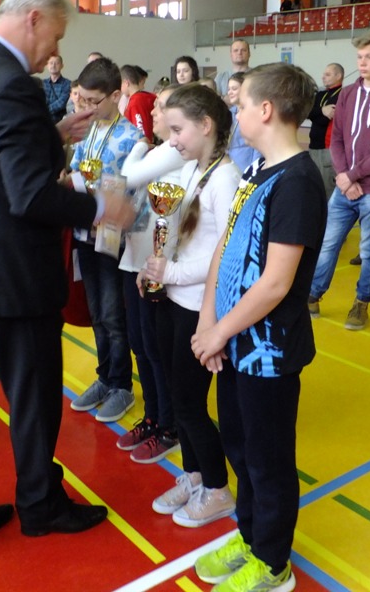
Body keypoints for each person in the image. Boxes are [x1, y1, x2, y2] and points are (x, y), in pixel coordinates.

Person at [0, 0, 132, 553]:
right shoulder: (14, 84)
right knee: (34, 396)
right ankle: (41, 505)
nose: (54, 51)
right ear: (35, 19)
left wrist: (51, 133)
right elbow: (28, 196)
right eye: (56, 36)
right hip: (13, 276)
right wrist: (102, 208)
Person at [188, 63, 325, 592]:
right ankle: (249, 537)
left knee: (268, 461)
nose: (236, 112)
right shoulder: (257, 170)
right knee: (241, 449)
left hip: (267, 351)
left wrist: (220, 332)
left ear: (265, 110)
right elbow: (225, 249)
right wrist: (208, 319)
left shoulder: (297, 183)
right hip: (234, 343)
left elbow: (275, 283)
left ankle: (272, 562)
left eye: (241, 104)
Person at [142, 84, 240, 528]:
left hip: (199, 308)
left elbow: (223, 254)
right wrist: (154, 266)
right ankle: (195, 475)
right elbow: (173, 226)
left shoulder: (225, 178)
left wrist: (173, 273)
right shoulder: (189, 169)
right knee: (176, 396)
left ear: (206, 126)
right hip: (172, 299)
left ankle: (218, 488)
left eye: (178, 129)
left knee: (189, 403)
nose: (172, 138)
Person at [307, 31, 370, 330]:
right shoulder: (349, 94)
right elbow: (337, 138)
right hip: (344, 187)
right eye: (359, 57)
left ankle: (361, 303)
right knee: (327, 244)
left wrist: (352, 176)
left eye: (369, 57)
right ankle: (312, 295)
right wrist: (344, 177)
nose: (362, 63)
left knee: (369, 251)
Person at [67, 58, 142, 423]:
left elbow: (134, 195)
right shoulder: (90, 130)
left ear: (115, 95)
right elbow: (77, 170)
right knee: (95, 311)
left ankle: (121, 385)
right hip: (84, 233)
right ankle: (104, 376)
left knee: (113, 315)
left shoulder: (132, 139)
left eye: (94, 101)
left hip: (113, 240)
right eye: (82, 100)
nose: (87, 107)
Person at [118, 86, 184, 464]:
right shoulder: (160, 151)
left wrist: (140, 145)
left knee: (157, 350)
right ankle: (153, 416)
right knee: (141, 345)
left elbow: (128, 174)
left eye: (161, 106)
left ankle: (169, 426)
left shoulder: (171, 152)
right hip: (135, 258)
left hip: (157, 264)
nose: (153, 113)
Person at [306, 62, 344, 202]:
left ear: (338, 76)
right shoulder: (320, 94)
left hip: (328, 149)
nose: (323, 77)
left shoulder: (342, 95)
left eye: (328, 74)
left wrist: (317, 113)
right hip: (313, 148)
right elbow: (307, 112)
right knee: (313, 188)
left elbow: (322, 120)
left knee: (327, 191)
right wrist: (322, 110)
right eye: (324, 74)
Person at [226, 72, 261, 172]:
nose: (230, 92)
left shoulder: (254, 114)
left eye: (234, 89)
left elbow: (258, 147)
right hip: (230, 167)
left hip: (246, 167)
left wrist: (253, 171)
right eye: (228, 89)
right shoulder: (229, 113)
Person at [120, 64, 155, 139]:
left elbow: (141, 130)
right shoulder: (140, 98)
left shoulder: (136, 102)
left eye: (120, 84)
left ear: (126, 83)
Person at [42, 53, 70, 123]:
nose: (53, 66)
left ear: (62, 66)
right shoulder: (42, 83)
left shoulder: (67, 83)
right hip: (43, 121)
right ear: (47, 65)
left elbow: (61, 103)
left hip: (59, 121)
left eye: (57, 63)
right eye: (51, 63)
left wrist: (44, 111)